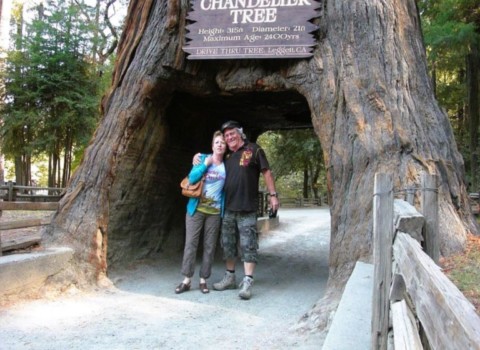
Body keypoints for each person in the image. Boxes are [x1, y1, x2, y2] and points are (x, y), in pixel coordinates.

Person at [210, 120, 279, 300]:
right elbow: (212, 157)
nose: (229, 137)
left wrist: (273, 195)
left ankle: (247, 281)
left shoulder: (254, 150)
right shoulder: (227, 156)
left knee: (248, 244)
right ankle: (230, 277)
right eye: (226, 136)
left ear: (240, 133)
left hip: (247, 207)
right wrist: (198, 157)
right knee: (228, 243)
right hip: (228, 208)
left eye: (232, 133)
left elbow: (267, 172)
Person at [175, 131, 227, 294]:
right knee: (191, 243)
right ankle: (187, 280)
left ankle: (204, 279)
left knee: (210, 246)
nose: (220, 144)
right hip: (196, 209)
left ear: (225, 147)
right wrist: (205, 164)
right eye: (217, 142)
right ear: (212, 146)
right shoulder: (203, 159)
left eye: (222, 143)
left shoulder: (227, 165)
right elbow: (191, 179)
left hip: (214, 211)